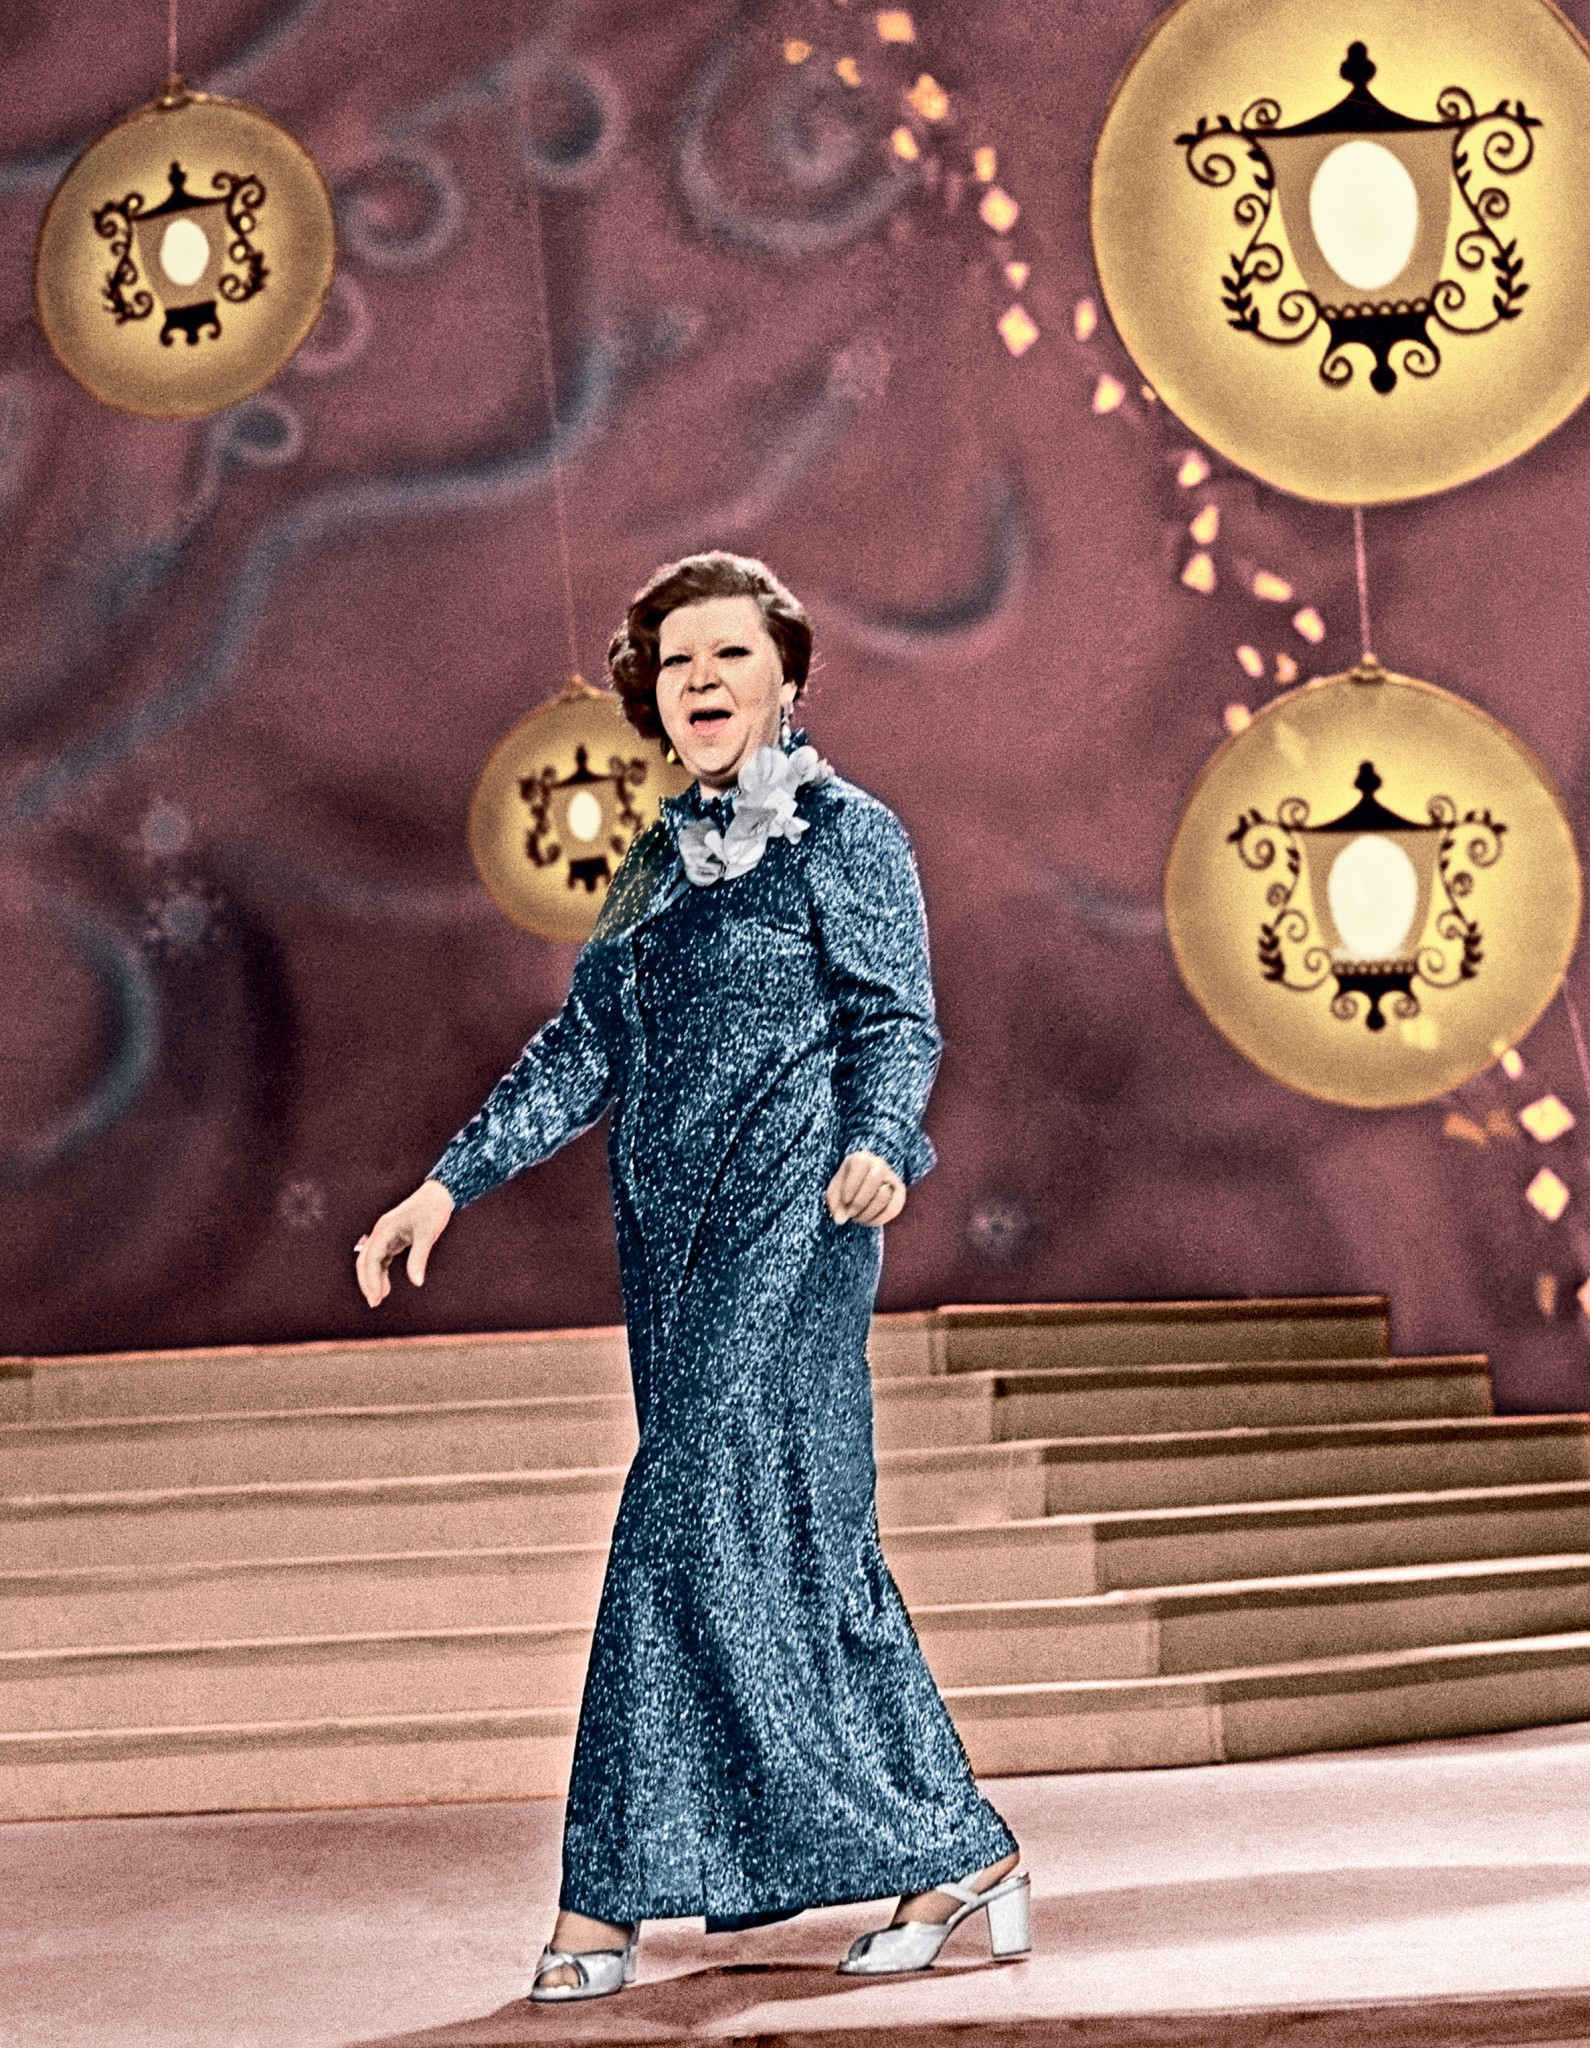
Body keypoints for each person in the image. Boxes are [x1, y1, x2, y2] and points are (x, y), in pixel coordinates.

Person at [355, 551, 1025, 2000]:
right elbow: (585, 1047)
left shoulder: (849, 833)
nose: (701, 680)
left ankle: (600, 1903)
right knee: (801, 1538)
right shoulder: (659, 860)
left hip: (798, 1218)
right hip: (668, 1240)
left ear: (787, 679)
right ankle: (958, 1849)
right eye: (676, 663)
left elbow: (895, 1020)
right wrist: (445, 1183)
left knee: (677, 1515)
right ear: (651, 697)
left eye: (730, 654)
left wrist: (880, 1139)